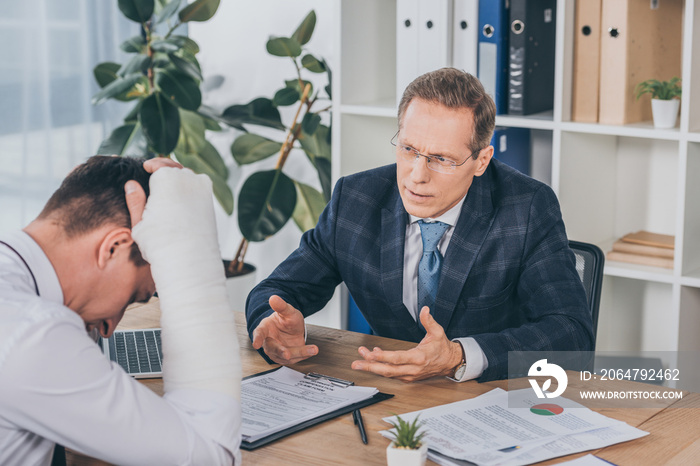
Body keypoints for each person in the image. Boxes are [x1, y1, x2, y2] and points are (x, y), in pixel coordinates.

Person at [246, 68, 594, 383]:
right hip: (388, 398)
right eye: (409, 149)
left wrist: (458, 356)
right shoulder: (356, 199)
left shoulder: (527, 207)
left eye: (441, 159)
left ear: (481, 161)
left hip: (492, 398)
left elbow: (571, 333)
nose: (417, 176)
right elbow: (276, 291)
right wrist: (273, 327)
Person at [0, 156, 242, 465]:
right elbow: (210, 455)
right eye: (133, 297)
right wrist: (193, 256)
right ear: (113, 247)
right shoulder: (31, 336)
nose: (109, 329)